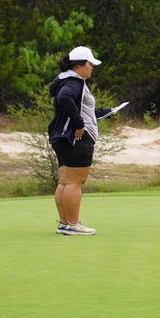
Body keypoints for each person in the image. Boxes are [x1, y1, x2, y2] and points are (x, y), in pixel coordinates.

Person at [47, 46, 111, 236]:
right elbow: (65, 98)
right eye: (90, 64)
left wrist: (104, 113)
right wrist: (80, 124)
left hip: (62, 136)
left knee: (65, 182)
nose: (92, 67)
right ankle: (74, 225)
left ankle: (65, 224)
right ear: (80, 65)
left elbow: (78, 107)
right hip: (76, 138)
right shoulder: (75, 82)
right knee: (75, 182)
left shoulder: (65, 79)